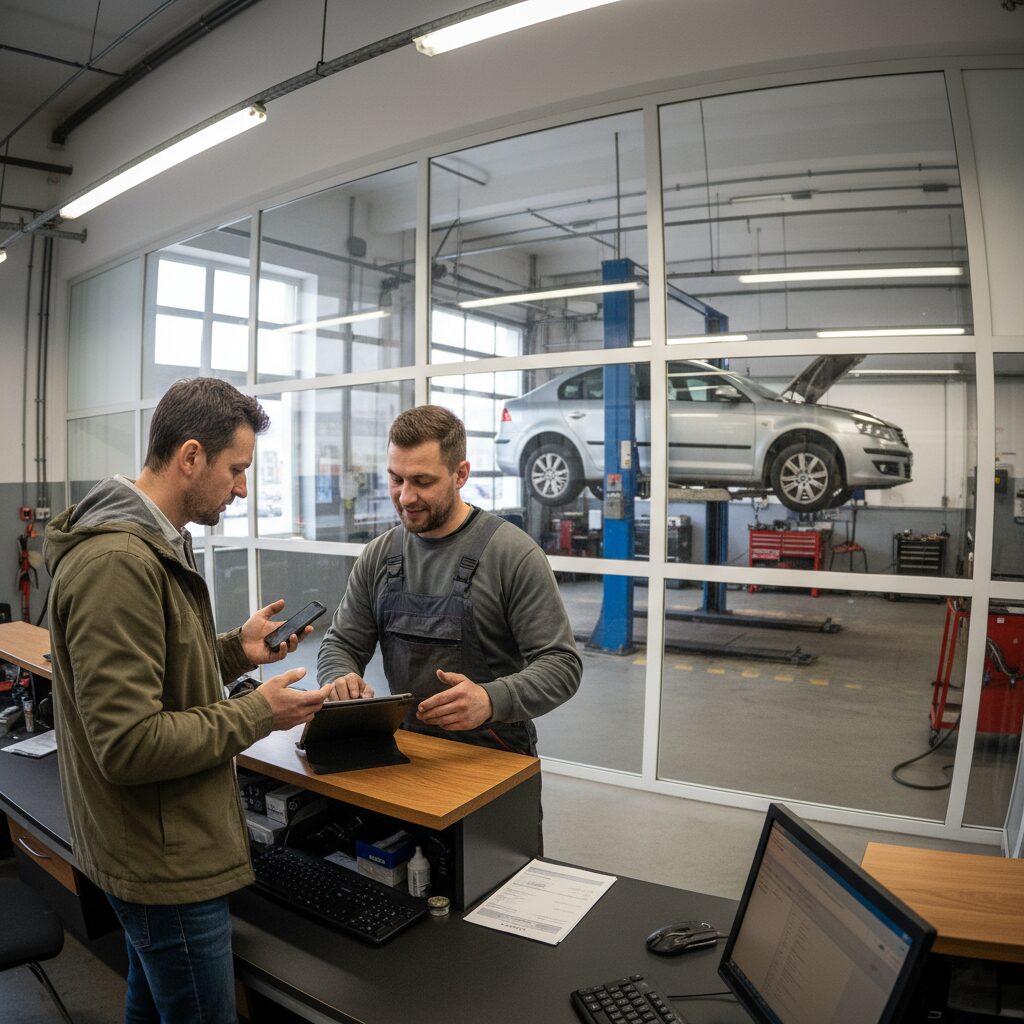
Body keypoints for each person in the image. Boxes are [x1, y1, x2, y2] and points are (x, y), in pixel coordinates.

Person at [44, 377, 333, 1024]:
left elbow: (162, 668)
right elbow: (130, 744)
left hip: (156, 840)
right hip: (159, 858)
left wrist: (235, 649)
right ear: (191, 456)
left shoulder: (156, 540)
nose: (243, 488)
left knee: (154, 1004)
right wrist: (261, 712)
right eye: (236, 470)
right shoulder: (117, 563)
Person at [317, 404, 582, 756]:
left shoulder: (512, 554)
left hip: (493, 756)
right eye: (396, 479)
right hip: (407, 751)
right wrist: (339, 679)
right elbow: (342, 644)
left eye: (423, 481)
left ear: (460, 475)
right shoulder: (379, 556)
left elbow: (561, 665)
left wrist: (491, 699)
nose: (406, 497)